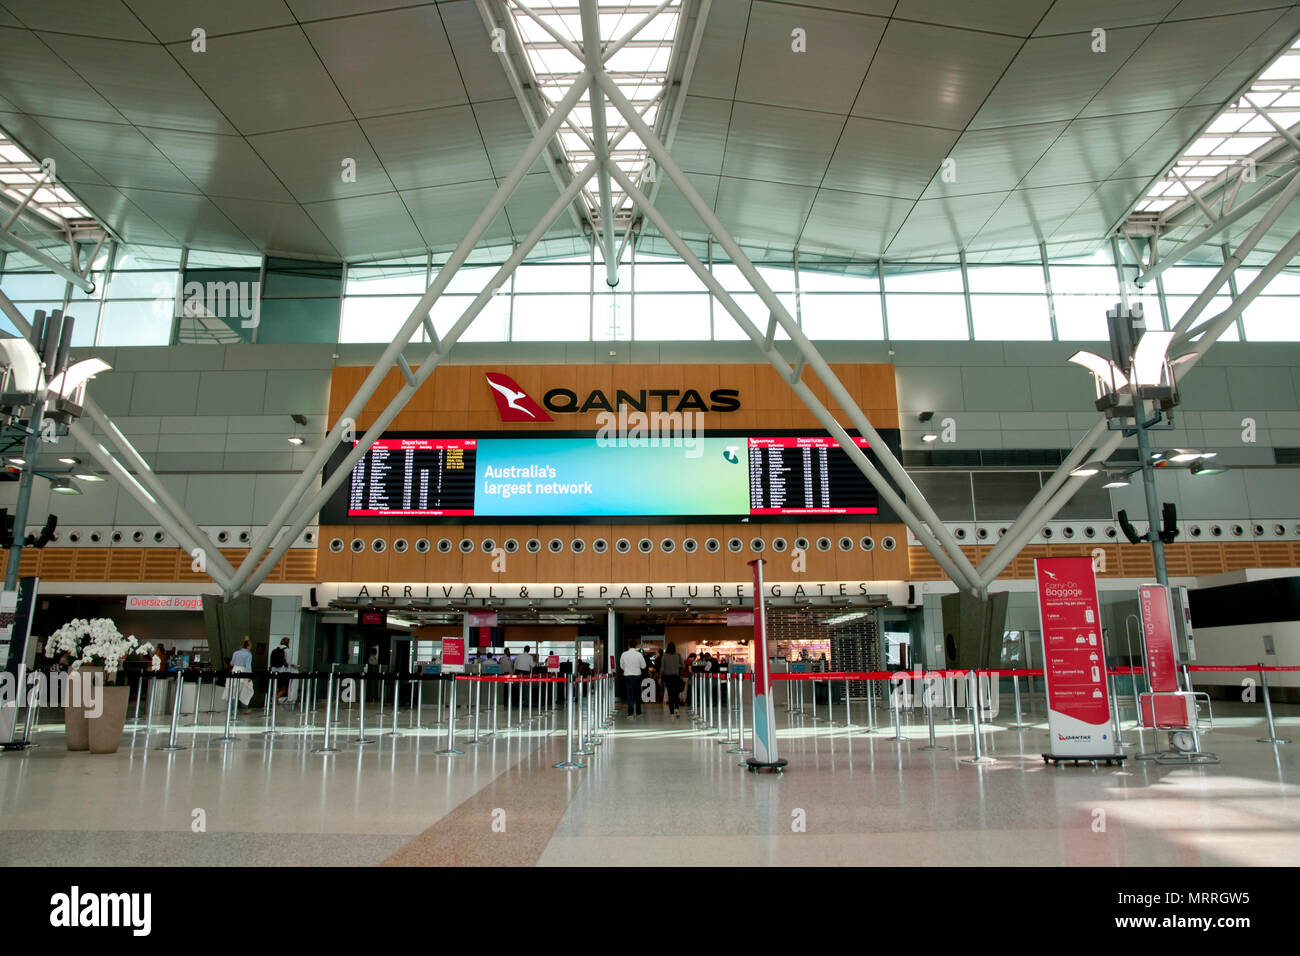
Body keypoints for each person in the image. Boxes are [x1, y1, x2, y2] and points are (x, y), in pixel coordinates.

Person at [618, 643, 646, 718]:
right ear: (636, 646)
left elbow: (621, 666)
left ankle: (630, 713)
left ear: (629, 646)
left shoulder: (624, 654)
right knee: (637, 694)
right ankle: (638, 713)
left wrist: (627, 669)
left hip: (627, 676)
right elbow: (643, 666)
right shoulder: (639, 654)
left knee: (629, 695)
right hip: (637, 676)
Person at [230, 636, 254, 713]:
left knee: (233, 691)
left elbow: (231, 663)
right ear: (248, 646)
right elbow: (248, 666)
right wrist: (249, 676)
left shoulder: (236, 653)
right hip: (243, 671)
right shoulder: (249, 654)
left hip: (234, 671)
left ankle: (232, 709)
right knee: (246, 690)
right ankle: (245, 708)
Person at [660, 642, 684, 718]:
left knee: (670, 694)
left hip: (668, 677)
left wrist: (660, 677)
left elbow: (662, 668)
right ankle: (677, 708)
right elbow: (683, 665)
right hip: (676, 677)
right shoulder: (678, 655)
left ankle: (671, 713)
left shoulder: (664, 656)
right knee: (676, 694)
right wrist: (677, 666)